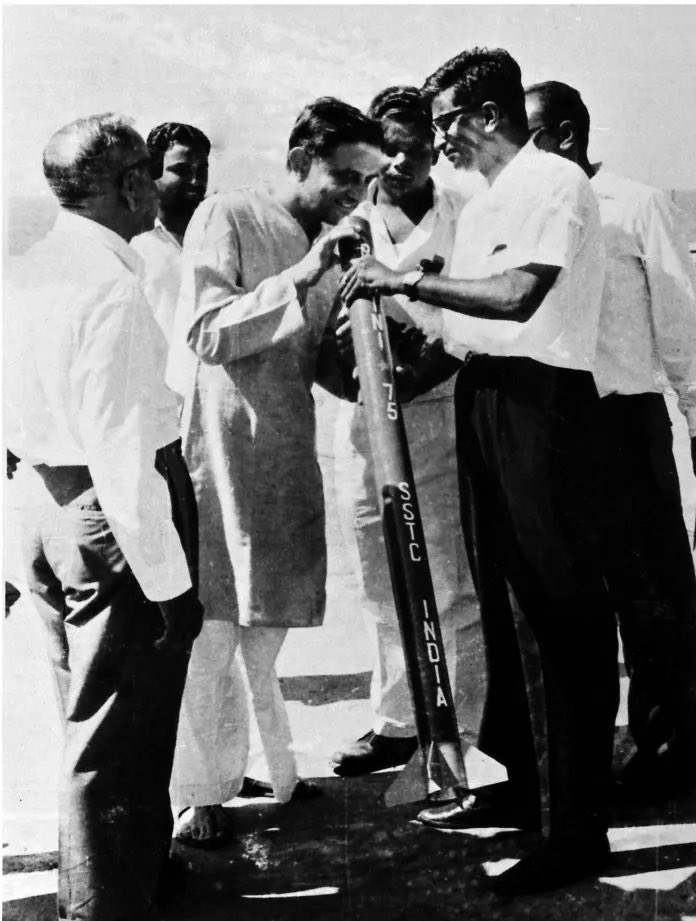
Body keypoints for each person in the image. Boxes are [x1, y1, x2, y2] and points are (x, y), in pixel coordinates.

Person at [340, 48, 617, 894]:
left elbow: (515, 297)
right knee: (507, 609)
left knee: (562, 617)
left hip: (546, 406)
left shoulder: (555, 184)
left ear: (486, 116)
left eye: (449, 122)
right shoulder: (492, 196)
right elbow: (467, 325)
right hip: (488, 397)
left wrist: (407, 276)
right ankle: (532, 791)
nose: (442, 140)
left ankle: (577, 830)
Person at [4, 113, 203, 921]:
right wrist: (170, 586)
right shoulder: (113, 289)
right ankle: (102, 905)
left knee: (92, 710)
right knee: (115, 729)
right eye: (149, 174)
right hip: (107, 508)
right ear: (127, 186)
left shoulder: (29, 270)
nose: (158, 187)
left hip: (41, 502)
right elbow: (124, 457)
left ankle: (135, 871)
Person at [169, 97, 383, 847]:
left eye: (368, 184)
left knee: (268, 629)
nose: (356, 197)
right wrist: (305, 270)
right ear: (298, 161)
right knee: (215, 632)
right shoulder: (226, 213)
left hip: (287, 450)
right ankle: (200, 793)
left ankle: (275, 770)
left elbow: (323, 361)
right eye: (345, 178)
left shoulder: (324, 243)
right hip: (222, 451)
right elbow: (206, 332)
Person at [523, 80, 696, 800]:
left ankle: (664, 760)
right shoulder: (526, 211)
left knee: (654, 607)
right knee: (568, 606)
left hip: (625, 423)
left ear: (563, 134)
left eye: (528, 135)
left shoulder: (637, 204)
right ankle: (576, 764)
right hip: (550, 430)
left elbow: (680, 319)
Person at [330, 85, 485, 777]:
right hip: (365, 423)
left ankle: (470, 724)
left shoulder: (468, 214)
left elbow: (475, 323)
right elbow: (320, 333)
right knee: (380, 575)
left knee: (453, 578)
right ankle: (397, 720)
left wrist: (416, 375)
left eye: (415, 145)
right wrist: (363, 383)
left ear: (435, 145)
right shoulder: (347, 221)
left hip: (445, 413)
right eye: (386, 147)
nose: (401, 160)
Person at [130, 122, 211, 392]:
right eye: (182, 170)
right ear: (153, 172)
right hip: (156, 410)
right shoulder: (134, 243)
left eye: (202, 171)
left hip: (209, 405)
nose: (196, 181)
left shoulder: (217, 237)